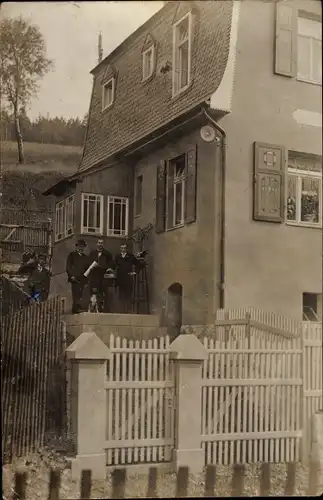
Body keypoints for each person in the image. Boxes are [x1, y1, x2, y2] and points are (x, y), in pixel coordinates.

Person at [88, 238, 114, 312]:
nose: (100, 244)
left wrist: (109, 268)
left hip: (103, 276)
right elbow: (89, 264)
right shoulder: (92, 253)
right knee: (94, 292)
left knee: (103, 292)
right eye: (99, 243)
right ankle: (93, 307)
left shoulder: (107, 254)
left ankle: (102, 308)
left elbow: (111, 264)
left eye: (102, 243)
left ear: (103, 244)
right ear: (97, 244)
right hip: (94, 276)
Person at [66, 239, 89, 314]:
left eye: (82, 247)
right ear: (76, 247)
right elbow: (68, 267)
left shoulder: (85, 257)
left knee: (81, 294)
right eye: (79, 246)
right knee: (76, 294)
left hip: (82, 279)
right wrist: (71, 275)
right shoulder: (72, 255)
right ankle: (76, 309)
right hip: (75, 278)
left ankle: (78, 308)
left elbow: (87, 268)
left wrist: (86, 278)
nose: (81, 248)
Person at [115, 243, 138, 313]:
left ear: (126, 249)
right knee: (122, 295)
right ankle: (122, 311)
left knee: (128, 295)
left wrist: (135, 272)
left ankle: (128, 310)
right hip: (121, 279)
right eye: (122, 248)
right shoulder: (117, 257)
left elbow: (138, 264)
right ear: (120, 249)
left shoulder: (131, 256)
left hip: (128, 278)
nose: (123, 249)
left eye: (124, 248)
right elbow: (114, 265)